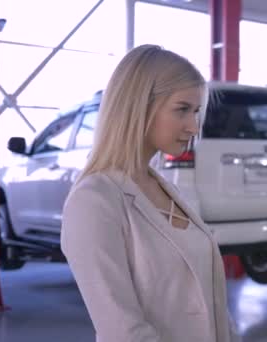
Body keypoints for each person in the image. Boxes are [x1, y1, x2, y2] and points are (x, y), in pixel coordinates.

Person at [61, 45, 239, 342]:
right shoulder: (94, 201)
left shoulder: (164, 187)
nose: (194, 126)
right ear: (138, 106)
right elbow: (121, 330)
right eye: (182, 109)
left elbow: (212, 302)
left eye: (196, 112)